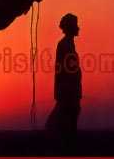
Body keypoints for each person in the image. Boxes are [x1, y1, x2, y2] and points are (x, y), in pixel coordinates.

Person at [46, 13, 82, 144]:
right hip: (68, 93)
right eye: (76, 25)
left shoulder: (67, 44)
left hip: (69, 92)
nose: (78, 28)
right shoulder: (65, 44)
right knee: (65, 123)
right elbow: (65, 70)